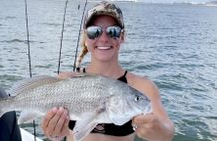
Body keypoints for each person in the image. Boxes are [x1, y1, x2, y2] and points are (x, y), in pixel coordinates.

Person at [42, 1, 175, 141]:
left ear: (122, 37)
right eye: (95, 31)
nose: (104, 38)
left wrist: (160, 131)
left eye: (113, 31)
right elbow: (53, 134)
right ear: (85, 38)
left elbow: (168, 131)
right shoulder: (65, 80)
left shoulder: (142, 86)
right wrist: (54, 133)